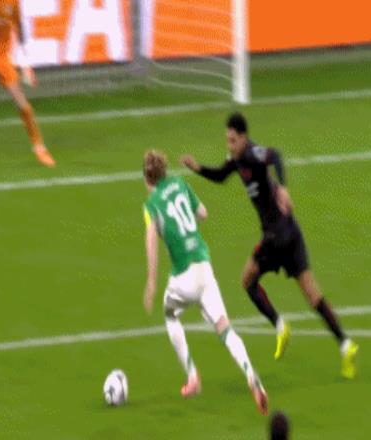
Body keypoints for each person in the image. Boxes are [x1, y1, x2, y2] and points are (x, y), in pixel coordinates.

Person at [181, 112, 359, 379]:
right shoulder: (237, 158)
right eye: (228, 140)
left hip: (276, 237)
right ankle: (345, 344)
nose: (230, 145)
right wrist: (198, 168)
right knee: (313, 296)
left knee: (247, 281)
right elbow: (221, 175)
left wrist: (283, 187)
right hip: (291, 232)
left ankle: (279, 325)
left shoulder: (252, 154)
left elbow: (275, 155)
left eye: (233, 140)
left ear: (244, 137)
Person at [142, 149, 268, 414]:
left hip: (183, 278)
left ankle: (192, 376)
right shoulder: (180, 184)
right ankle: (251, 374)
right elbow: (203, 213)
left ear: (147, 178)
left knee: (170, 315)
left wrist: (151, 281)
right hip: (204, 268)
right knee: (224, 328)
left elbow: (151, 240)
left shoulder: (151, 204)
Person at [0, 0, 55, 167]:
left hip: (1, 54)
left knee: (21, 100)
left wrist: (25, 62)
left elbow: (19, 26)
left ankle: (39, 148)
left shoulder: (13, 3)